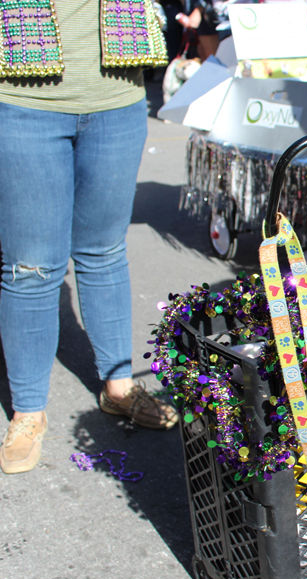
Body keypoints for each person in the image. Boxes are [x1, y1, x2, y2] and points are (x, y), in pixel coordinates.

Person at [0, 0, 179, 475]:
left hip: (117, 99)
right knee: (31, 266)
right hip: (22, 103)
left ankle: (119, 387)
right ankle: (28, 411)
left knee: (104, 251)